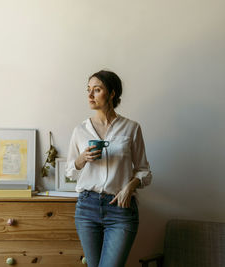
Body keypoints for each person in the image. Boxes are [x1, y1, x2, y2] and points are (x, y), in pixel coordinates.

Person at [65, 70, 152, 267]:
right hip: (87, 207)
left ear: (112, 93)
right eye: (88, 90)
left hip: (120, 209)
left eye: (96, 90)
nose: (90, 95)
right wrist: (81, 159)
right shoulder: (80, 130)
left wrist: (130, 187)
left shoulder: (131, 128)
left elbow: (144, 171)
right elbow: (70, 171)